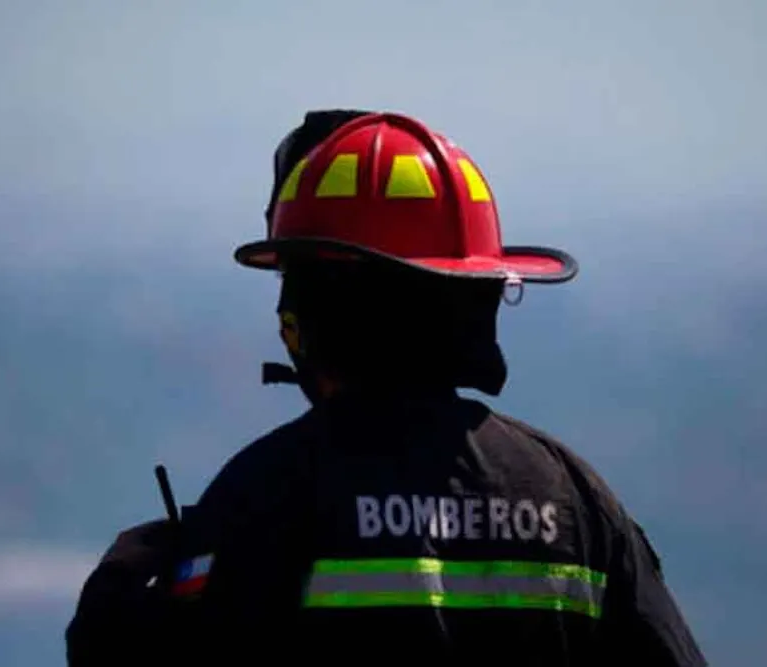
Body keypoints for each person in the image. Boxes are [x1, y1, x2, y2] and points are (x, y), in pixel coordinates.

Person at [65, 109, 708, 666]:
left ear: (318, 305)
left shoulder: (262, 498)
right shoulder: (578, 504)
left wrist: (118, 604)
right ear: (476, 295)